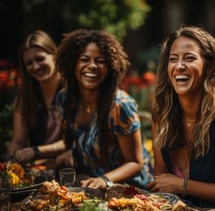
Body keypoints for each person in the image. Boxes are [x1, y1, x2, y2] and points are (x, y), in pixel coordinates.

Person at [146, 26, 215, 211]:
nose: (179, 66)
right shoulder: (161, 115)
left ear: (209, 67)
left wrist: (183, 185)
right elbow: (161, 182)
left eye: (189, 58)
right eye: (173, 59)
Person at [55, 29, 153, 190]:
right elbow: (70, 142)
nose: (92, 66)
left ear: (110, 67)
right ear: (73, 64)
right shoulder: (65, 99)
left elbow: (135, 163)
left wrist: (104, 180)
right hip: (86, 183)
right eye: (84, 59)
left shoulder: (120, 106)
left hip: (128, 189)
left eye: (100, 60)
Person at [4, 30, 63, 167]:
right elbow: (18, 142)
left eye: (40, 59)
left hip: (72, 169)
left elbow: (77, 140)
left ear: (54, 55)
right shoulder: (25, 96)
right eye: (29, 63)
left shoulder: (71, 90)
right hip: (39, 170)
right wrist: (4, 165)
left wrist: (36, 151)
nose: (35, 66)